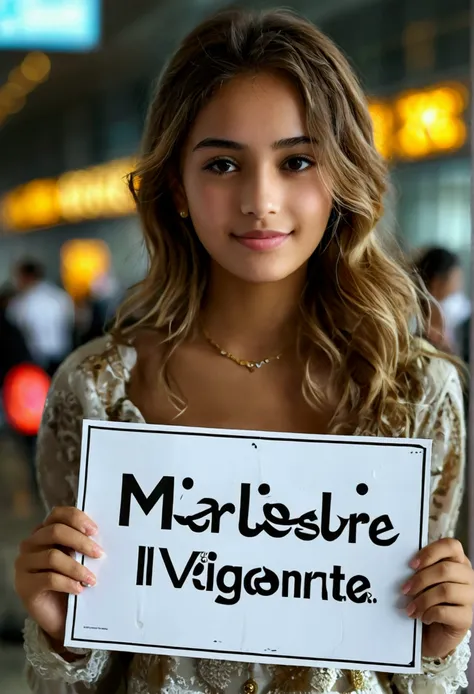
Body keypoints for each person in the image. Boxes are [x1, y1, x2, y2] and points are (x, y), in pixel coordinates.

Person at [14, 9, 473, 694]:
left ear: (343, 174)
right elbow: (88, 674)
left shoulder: (412, 393)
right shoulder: (98, 390)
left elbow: (405, 670)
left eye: (297, 161)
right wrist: (58, 629)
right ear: (175, 185)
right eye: (223, 163)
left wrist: (440, 644)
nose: (261, 200)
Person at [8, 259, 74, 377]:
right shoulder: (59, 296)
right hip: (62, 355)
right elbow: (73, 321)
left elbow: (15, 328)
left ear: (27, 277)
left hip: (35, 360)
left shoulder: (22, 302)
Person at [415, 247, 470, 354]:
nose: (458, 288)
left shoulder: (453, 314)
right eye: (455, 281)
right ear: (436, 283)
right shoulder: (416, 317)